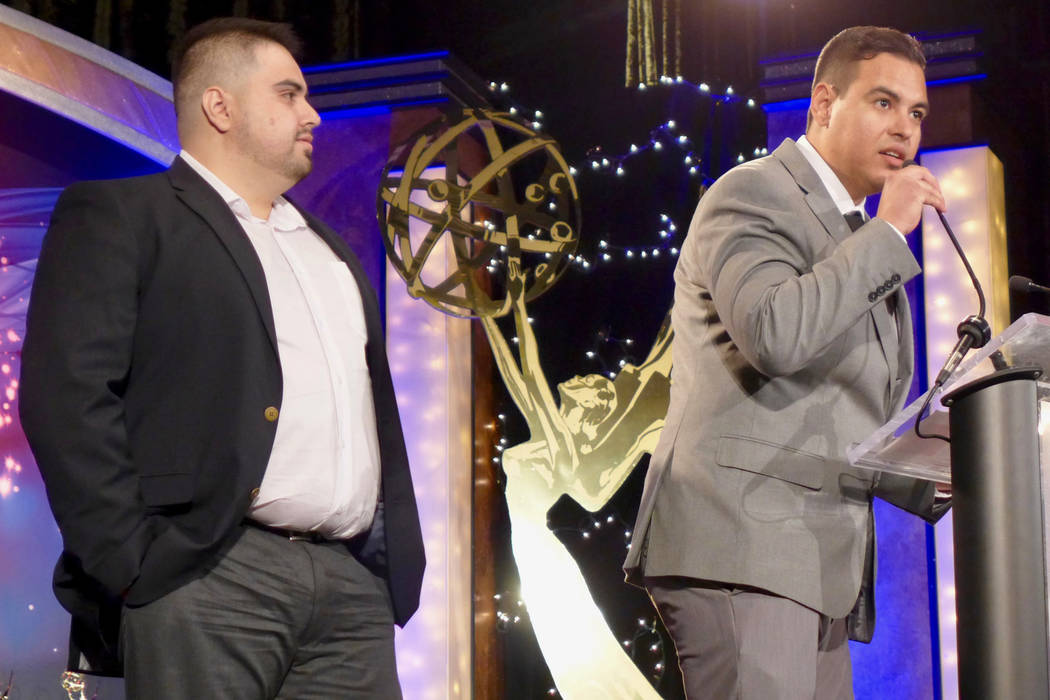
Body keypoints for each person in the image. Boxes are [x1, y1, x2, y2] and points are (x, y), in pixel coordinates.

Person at [19, 17, 424, 699]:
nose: (314, 116)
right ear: (220, 105)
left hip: (352, 589)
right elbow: (67, 395)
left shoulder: (330, 250)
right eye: (290, 94)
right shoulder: (125, 215)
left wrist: (379, 573)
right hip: (207, 573)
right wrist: (132, 558)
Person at [624, 25, 951, 699]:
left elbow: (846, 415)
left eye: (916, 112)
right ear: (824, 104)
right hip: (743, 545)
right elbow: (775, 332)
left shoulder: (852, 237)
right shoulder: (754, 193)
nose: (905, 129)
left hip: (813, 563)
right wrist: (889, 233)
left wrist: (945, 472)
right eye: (883, 103)